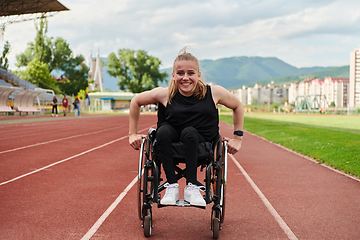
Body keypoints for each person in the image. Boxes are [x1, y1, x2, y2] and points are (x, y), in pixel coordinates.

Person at [129, 48, 244, 207]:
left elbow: (238, 106)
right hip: (169, 141)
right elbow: (136, 101)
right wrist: (132, 134)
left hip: (201, 143)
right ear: (173, 75)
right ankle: (172, 186)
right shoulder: (165, 94)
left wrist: (237, 138)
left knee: (190, 132)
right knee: (161, 131)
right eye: (180, 73)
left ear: (198, 75)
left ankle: (192, 186)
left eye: (190, 73)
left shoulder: (213, 92)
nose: (185, 78)